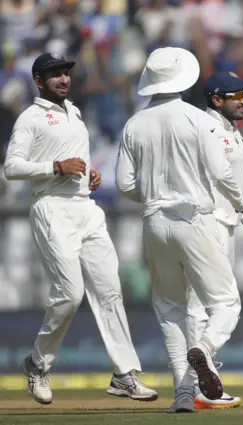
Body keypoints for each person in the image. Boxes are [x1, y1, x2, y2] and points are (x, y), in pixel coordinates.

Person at [4, 53, 157, 405]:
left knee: (109, 292)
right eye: (55, 74)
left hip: (86, 208)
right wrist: (56, 166)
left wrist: (88, 174)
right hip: (52, 208)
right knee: (70, 295)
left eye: (65, 73)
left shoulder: (75, 112)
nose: (63, 79)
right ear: (39, 81)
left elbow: (75, 158)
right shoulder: (30, 117)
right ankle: (38, 364)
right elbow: (12, 166)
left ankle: (124, 375)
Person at [115, 47, 243, 413]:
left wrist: (155, 197)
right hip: (193, 219)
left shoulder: (134, 124)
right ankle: (205, 351)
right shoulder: (199, 119)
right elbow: (220, 172)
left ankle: (182, 393)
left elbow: (124, 184)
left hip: (153, 222)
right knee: (225, 303)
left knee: (169, 309)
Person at [185, 71, 243, 410]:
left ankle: (200, 383)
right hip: (207, 223)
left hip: (226, 223)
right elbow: (216, 179)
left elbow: (232, 185)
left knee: (209, 305)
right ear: (217, 100)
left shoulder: (230, 129)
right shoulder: (207, 128)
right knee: (211, 305)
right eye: (236, 95)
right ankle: (199, 373)